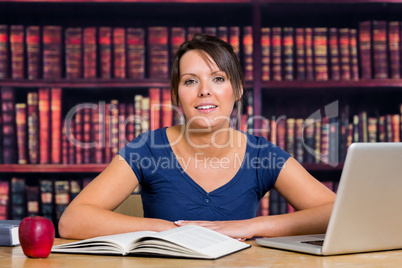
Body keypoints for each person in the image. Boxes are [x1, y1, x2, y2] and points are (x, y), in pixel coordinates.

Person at [58, 34, 336, 240]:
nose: (205, 91)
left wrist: (252, 226)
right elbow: (72, 221)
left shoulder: (262, 155)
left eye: (218, 78)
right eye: (191, 81)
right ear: (177, 95)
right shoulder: (147, 149)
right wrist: (168, 229)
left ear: (237, 89)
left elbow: (335, 212)